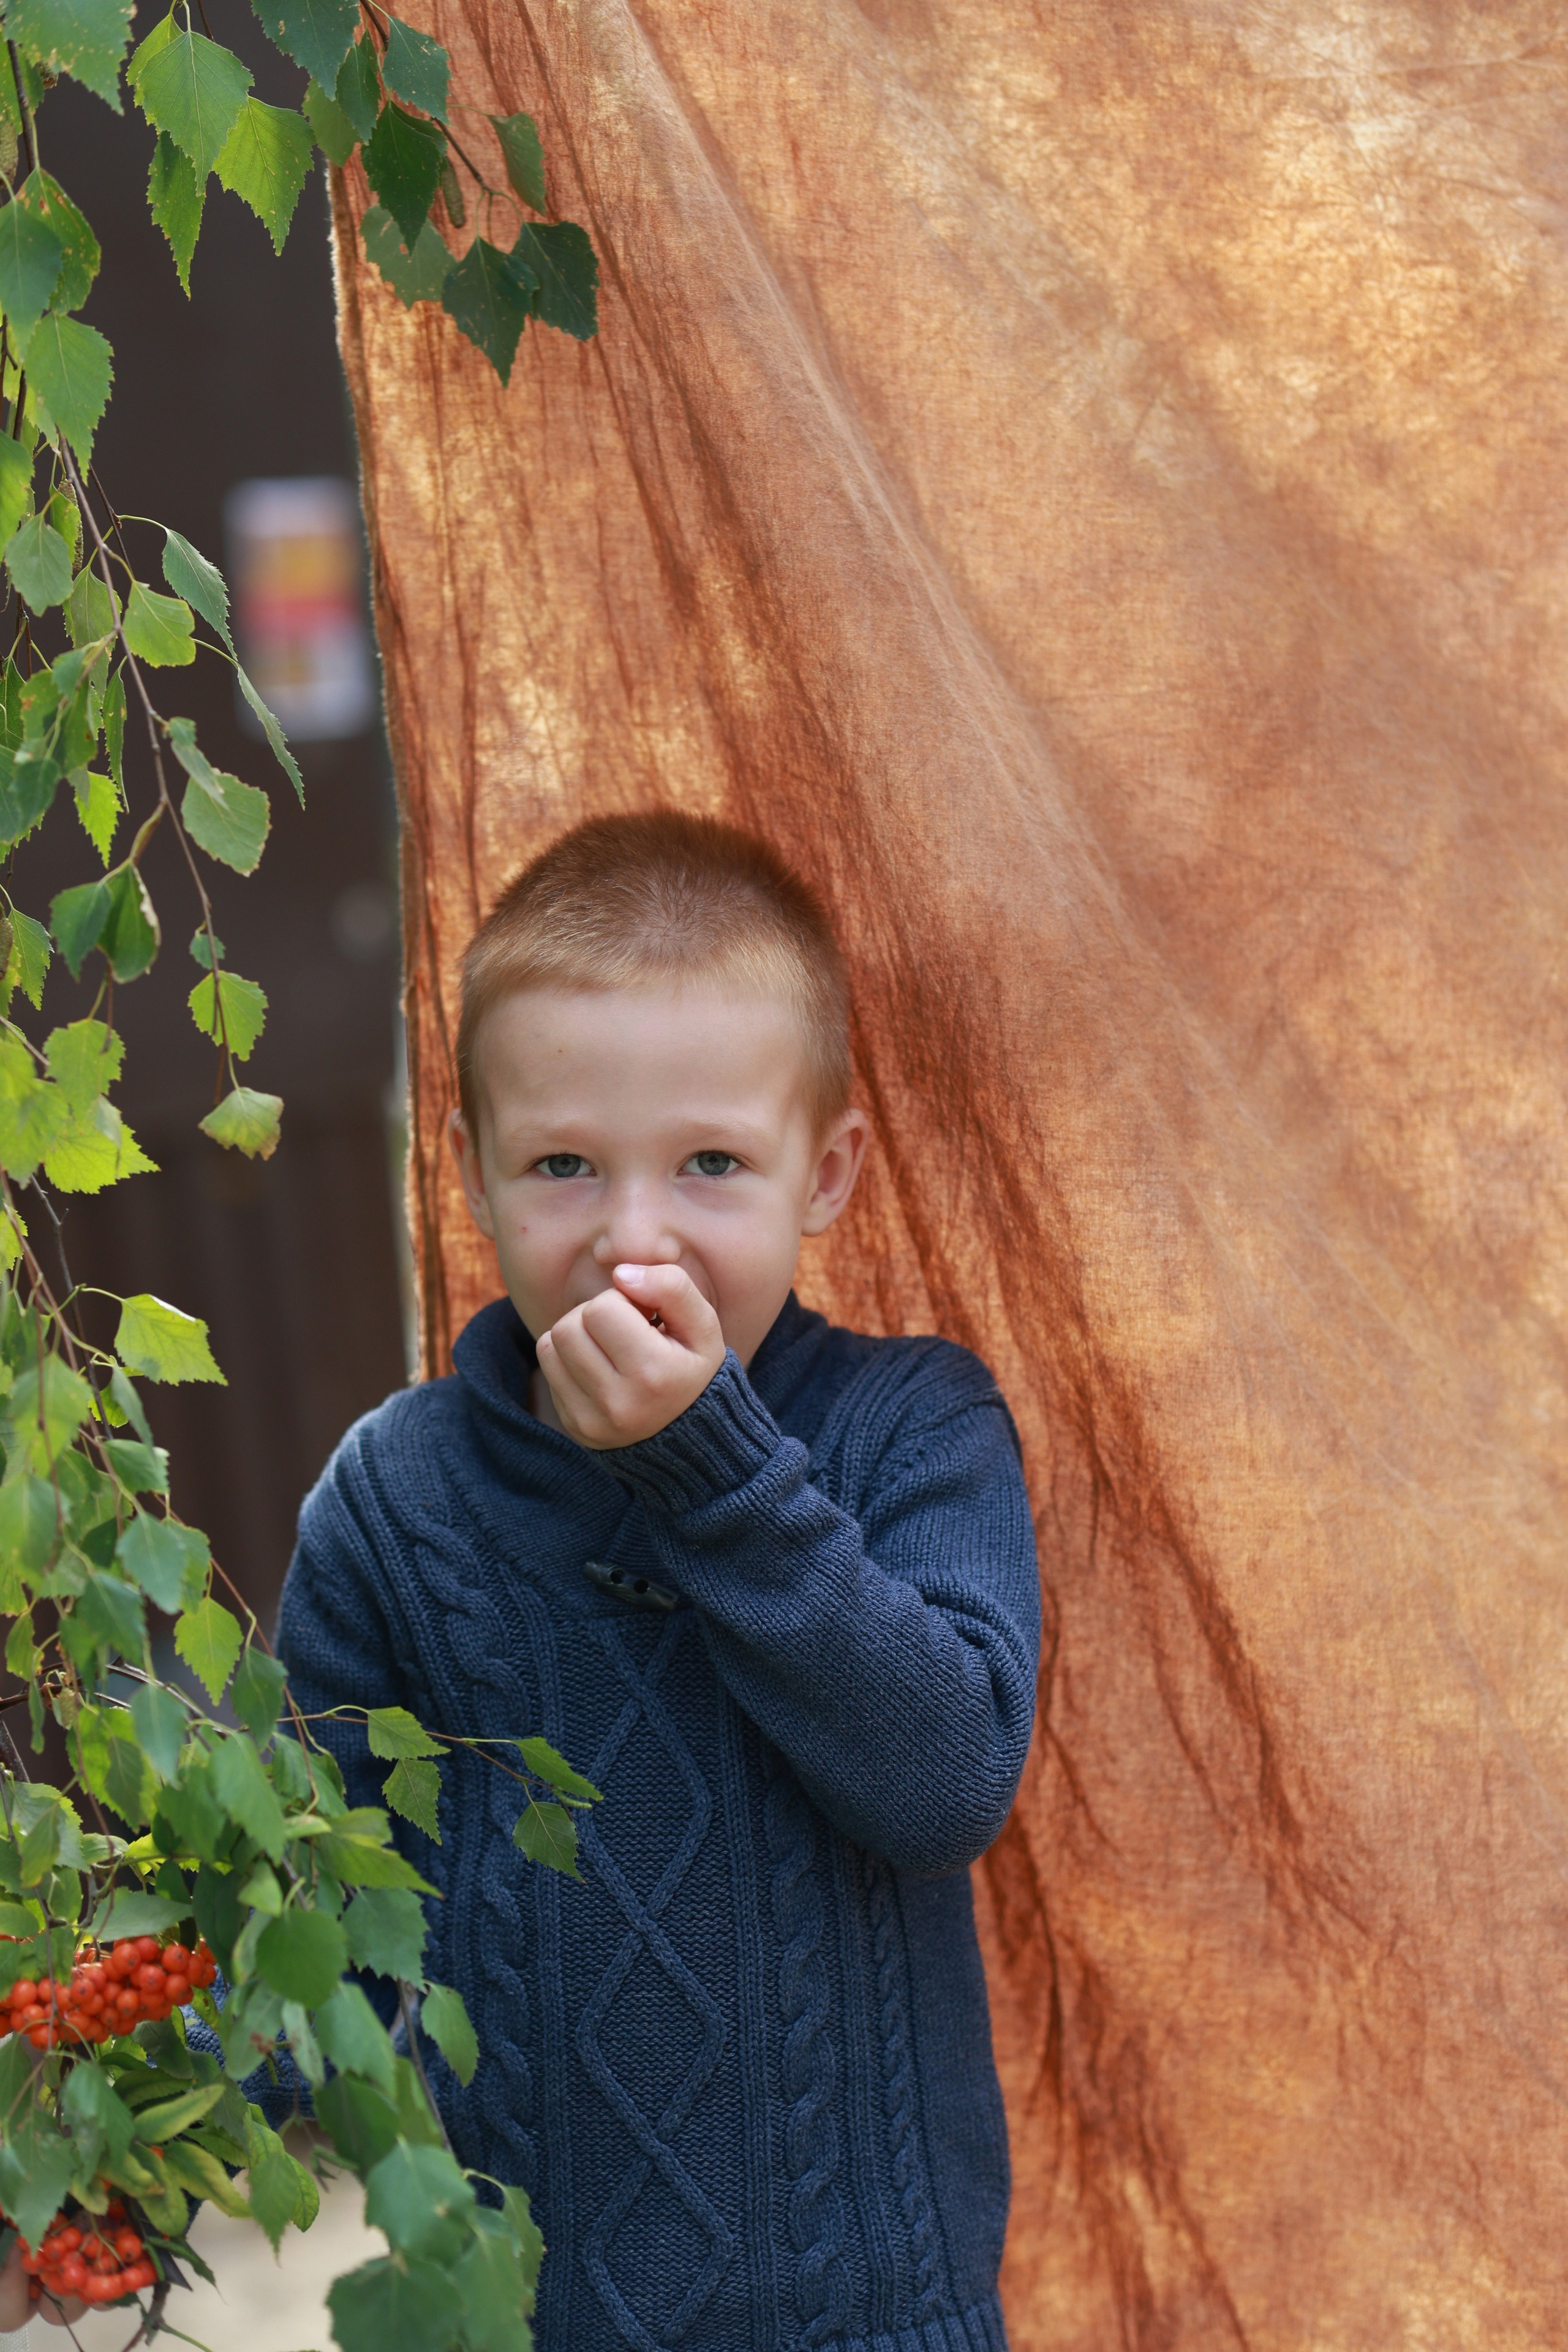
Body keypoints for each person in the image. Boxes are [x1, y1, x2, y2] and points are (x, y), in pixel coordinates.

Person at [279, 811, 1042, 2352]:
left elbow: (948, 1782)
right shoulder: (395, 1500)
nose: (635, 1244)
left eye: (710, 1165)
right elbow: (321, 1918)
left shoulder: (911, 1427)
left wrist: (708, 1471)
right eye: (563, 1166)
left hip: (874, 2323)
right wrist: (104, 2169)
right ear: (471, 1173)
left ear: (822, 1174)